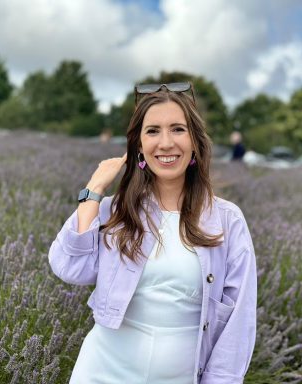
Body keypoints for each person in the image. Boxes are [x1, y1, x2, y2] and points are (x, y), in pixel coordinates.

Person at [48, 82, 257, 384]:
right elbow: (70, 268)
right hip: (102, 370)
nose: (166, 143)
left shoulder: (227, 221)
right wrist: (92, 193)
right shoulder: (115, 210)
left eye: (178, 129)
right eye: (153, 131)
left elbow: (239, 321)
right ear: (139, 145)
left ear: (195, 141)